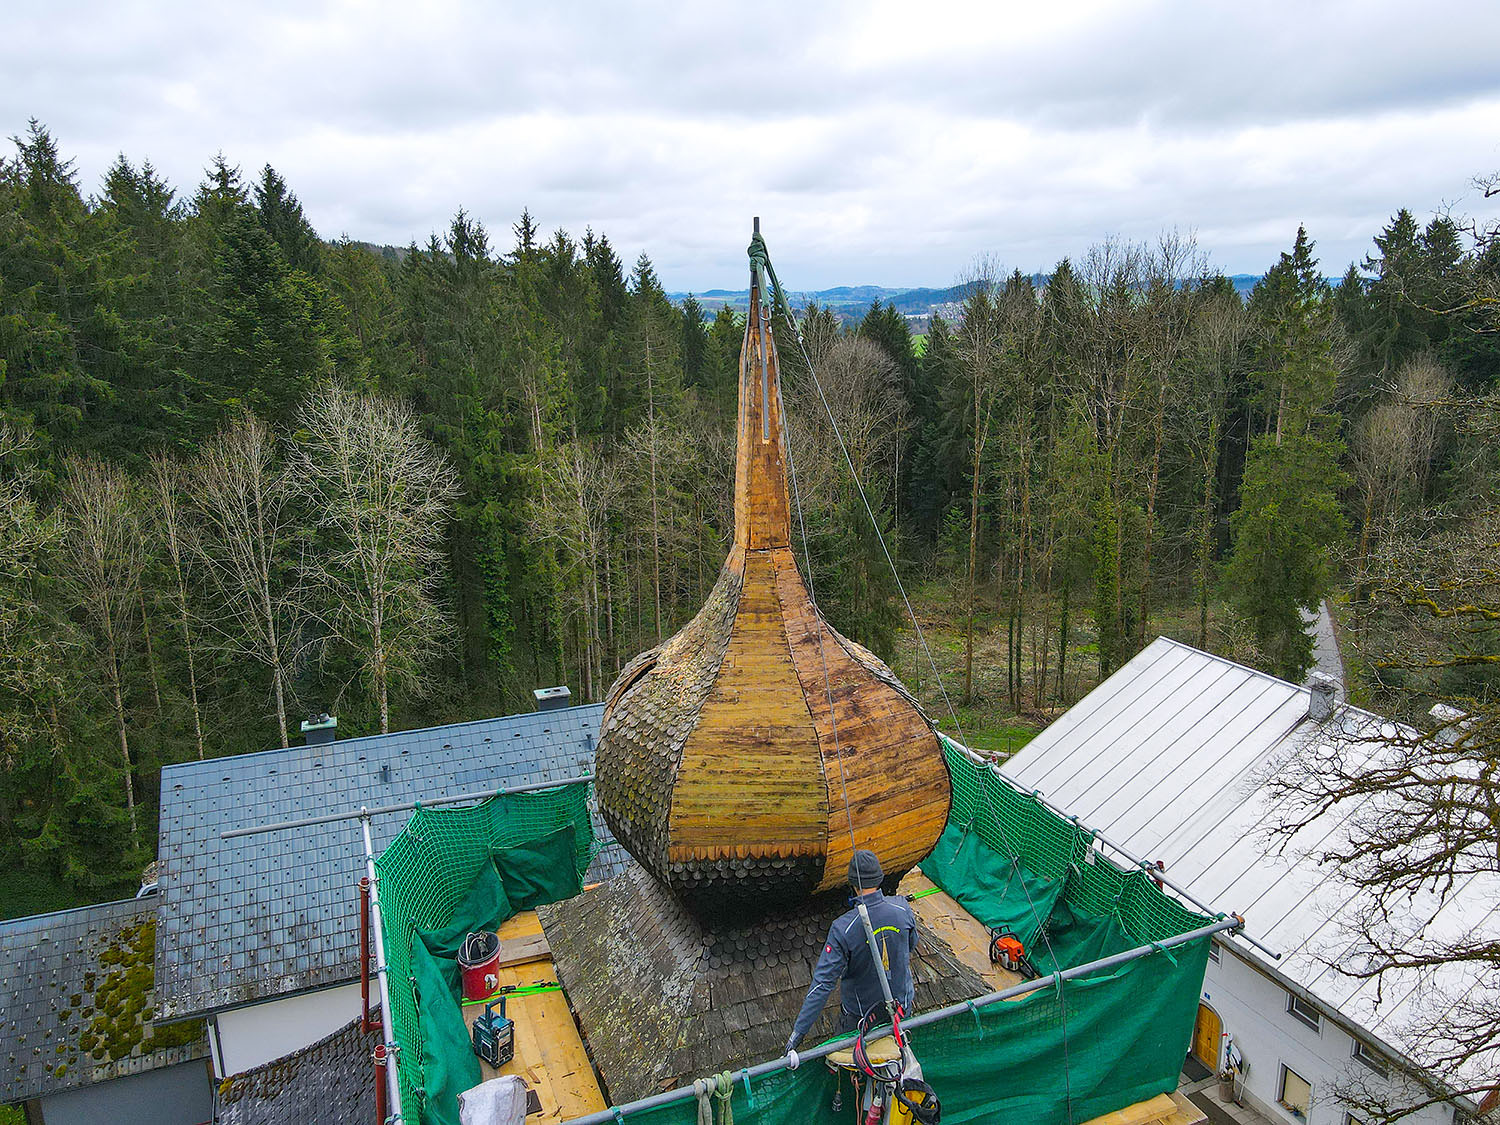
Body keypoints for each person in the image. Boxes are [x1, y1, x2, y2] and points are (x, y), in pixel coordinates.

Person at [785, 849, 917, 1055]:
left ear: (852, 884)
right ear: (880, 878)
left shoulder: (843, 928)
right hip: (901, 1013)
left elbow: (823, 984)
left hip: (861, 1021)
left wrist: (798, 1034)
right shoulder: (902, 908)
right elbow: (910, 945)